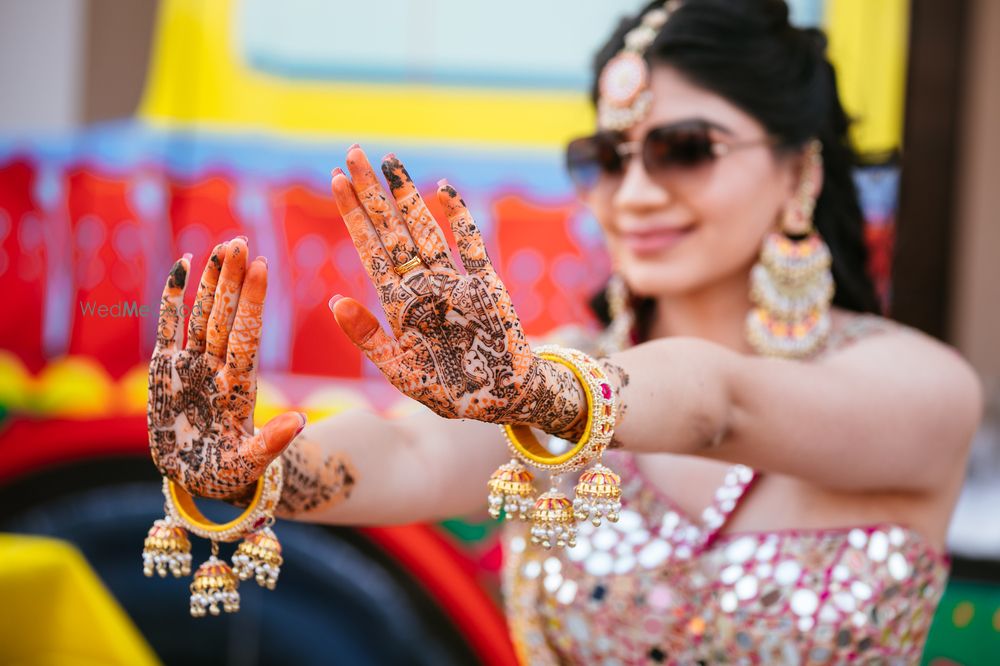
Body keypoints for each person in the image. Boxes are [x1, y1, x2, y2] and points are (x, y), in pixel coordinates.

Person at [147, 0, 982, 662]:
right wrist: (253, 470)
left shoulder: (917, 385)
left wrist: (554, 396)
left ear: (800, 170)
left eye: (685, 148)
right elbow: (411, 455)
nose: (636, 193)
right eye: (607, 158)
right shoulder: (550, 369)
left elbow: (724, 404)